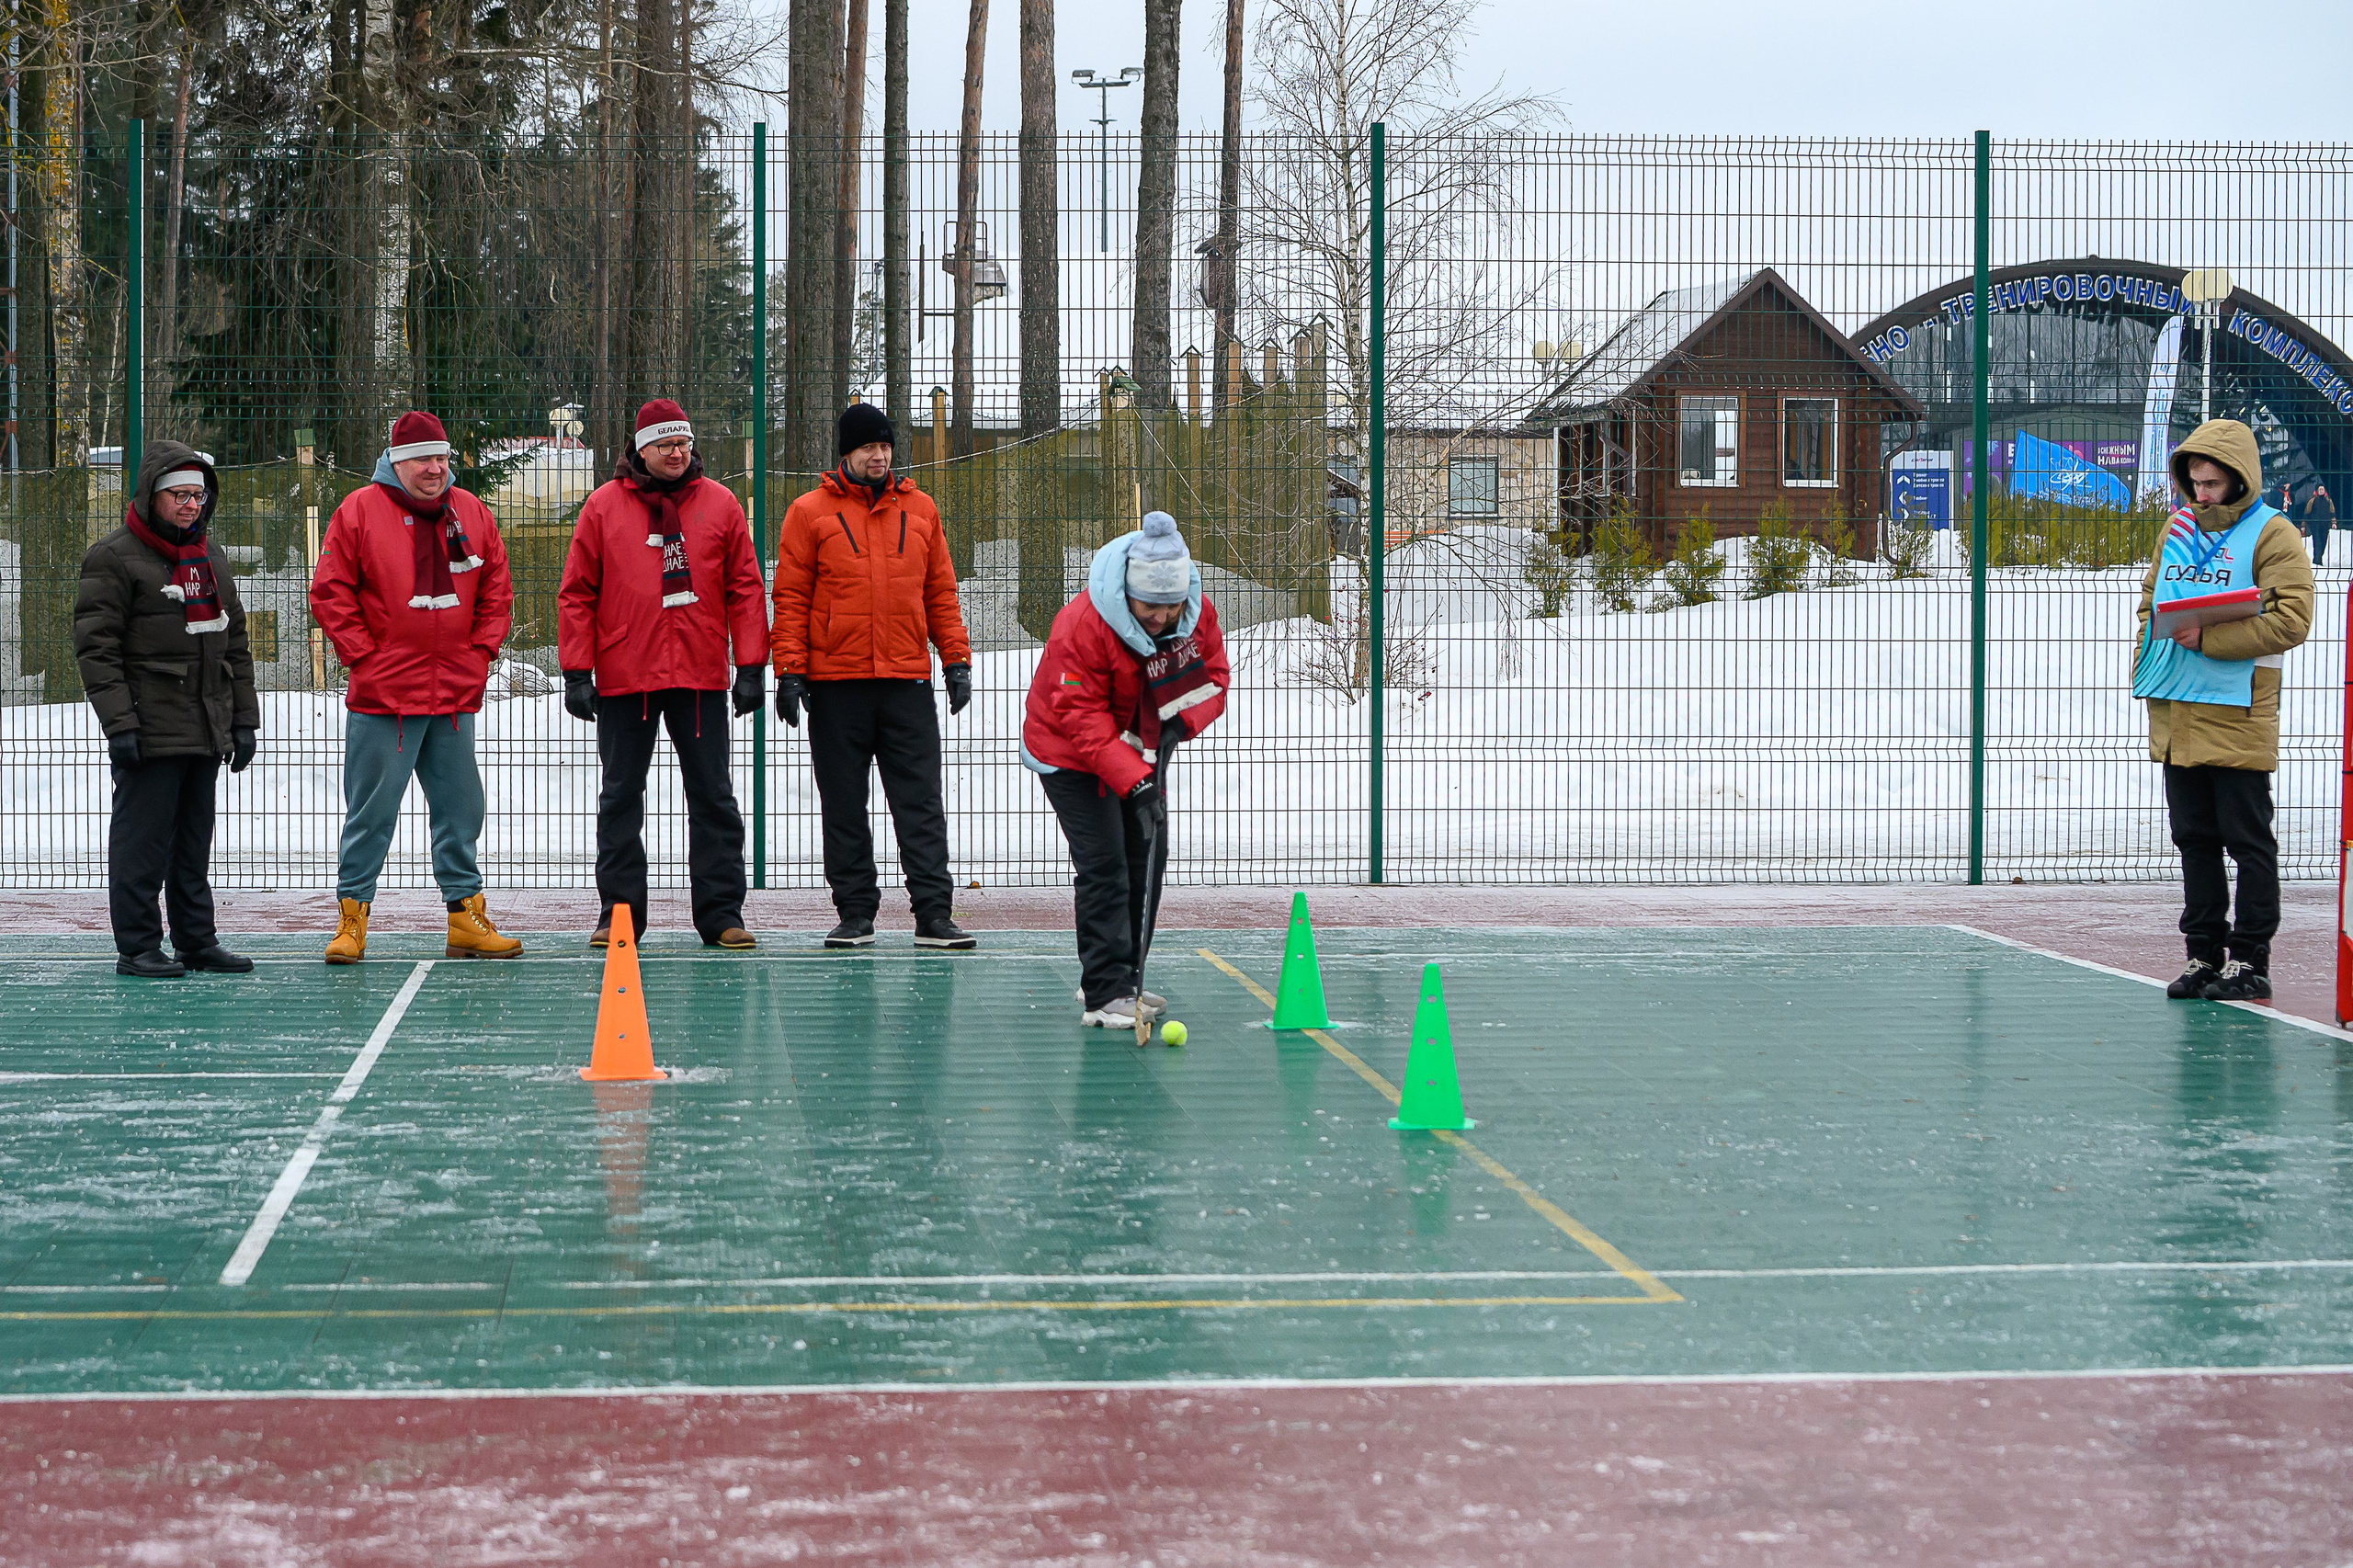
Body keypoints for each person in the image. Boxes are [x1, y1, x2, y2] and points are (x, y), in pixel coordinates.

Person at [309, 411, 522, 964]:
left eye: (442, 458)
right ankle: (352, 918)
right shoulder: (358, 511)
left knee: (461, 808)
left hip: (454, 694)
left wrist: (479, 656)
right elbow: (331, 592)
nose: (436, 468)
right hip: (385, 697)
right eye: (424, 459)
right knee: (371, 812)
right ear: (396, 462)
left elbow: (497, 588)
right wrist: (365, 658)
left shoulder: (471, 511)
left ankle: (466, 917)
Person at [559, 399, 767, 950]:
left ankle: (722, 913)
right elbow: (577, 592)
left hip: (699, 675)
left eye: (683, 444)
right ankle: (620, 914)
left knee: (713, 795)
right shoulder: (602, 508)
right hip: (627, 677)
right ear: (641, 449)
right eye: (665, 445)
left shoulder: (721, 505)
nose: (677, 454)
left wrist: (750, 664)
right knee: (621, 796)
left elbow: (745, 587)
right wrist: (577, 670)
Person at [771, 403, 976, 949]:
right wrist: (789, 671)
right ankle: (856, 912)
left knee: (921, 804)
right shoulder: (808, 513)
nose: (879, 455)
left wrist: (955, 658)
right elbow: (790, 598)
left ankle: (934, 915)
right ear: (846, 453)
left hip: (907, 680)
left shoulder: (922, 510)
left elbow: (940, 592)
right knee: (843, 804)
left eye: (884, 446)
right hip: (836, 685)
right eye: (867, 447)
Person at [1021, 511, 1230, 1028]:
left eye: (1169, 605)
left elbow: (1215, 677)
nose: (1160, 618)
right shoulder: (1084, 622)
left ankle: (1125, 976)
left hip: (1143, 747)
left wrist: (1180, 726)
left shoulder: (1194, 613)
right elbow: (1079, 716)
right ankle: (1103, 992)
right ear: (1128, 592)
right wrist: (1135, 781)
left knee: (1147, 858)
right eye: (1149, 607)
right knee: (1106, 863)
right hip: (1069, 753)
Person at [2134, 419, 2313, 1004]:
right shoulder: (2177, 527)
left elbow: (2292, 621)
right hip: (2179, 707)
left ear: (2240, 479)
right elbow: (2150, 601)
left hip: (2238, 711)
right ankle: (2203, 954)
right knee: (2194, 838)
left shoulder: (2274, 534)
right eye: (2194, 483)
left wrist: (2209, 639)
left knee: (2248, 839)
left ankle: (2251, 959)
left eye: (2212, 484)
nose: (2201, 495)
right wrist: (2154, 640)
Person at [74, 441, 260, 978]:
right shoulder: (112, 558)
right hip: (149, 724)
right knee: (142, 843)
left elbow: (235, 644)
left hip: (206, 724)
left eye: (198, 496)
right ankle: (137, 946)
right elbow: (97, 651)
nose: (190, 506)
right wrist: (120, 724)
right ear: (152, 496)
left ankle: (196, 941)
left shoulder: (209, 557)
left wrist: (243, 719)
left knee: (193, 843)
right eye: (179, 495)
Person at [2302, 482, 2336, 567]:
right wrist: (2304, 524)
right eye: (2320, 489)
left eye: (2323, 489)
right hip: (2315, 525)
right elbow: (2307, 512)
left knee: (2323, 543)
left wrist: (2333, 523)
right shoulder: (2312, 500)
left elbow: (2332, 512)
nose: (2321, 491)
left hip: (2325, 525)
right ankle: (2317, 561)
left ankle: (2318, 558)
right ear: (2317, 490)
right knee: (2317, 543)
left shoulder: (2328, 500)